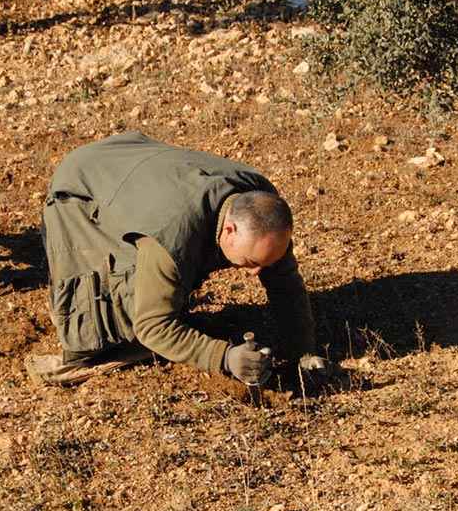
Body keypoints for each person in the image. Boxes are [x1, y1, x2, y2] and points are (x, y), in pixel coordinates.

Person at [25, 131, 332, 387]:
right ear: (229, 228)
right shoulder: (171, 236)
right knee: (104, 333)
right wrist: (224, 358)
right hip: (83, 185)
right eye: (251, 262)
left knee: (169, 284)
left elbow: (285, 283)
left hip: (136, 166)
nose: (256, 273)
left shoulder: (262, 209)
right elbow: (152, 326)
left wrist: (302, 352)